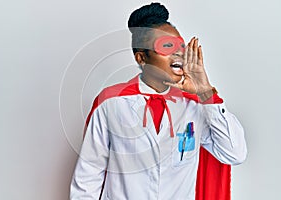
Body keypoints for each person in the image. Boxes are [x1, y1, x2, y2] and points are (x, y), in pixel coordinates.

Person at [70, 2, 247, 200]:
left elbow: (234, 153)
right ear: (141, 58)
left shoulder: (195, 106)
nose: (179, 52)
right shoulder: (111, 103)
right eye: (167, 46)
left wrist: (206, 92)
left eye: (181, 46)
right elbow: (88, 177)